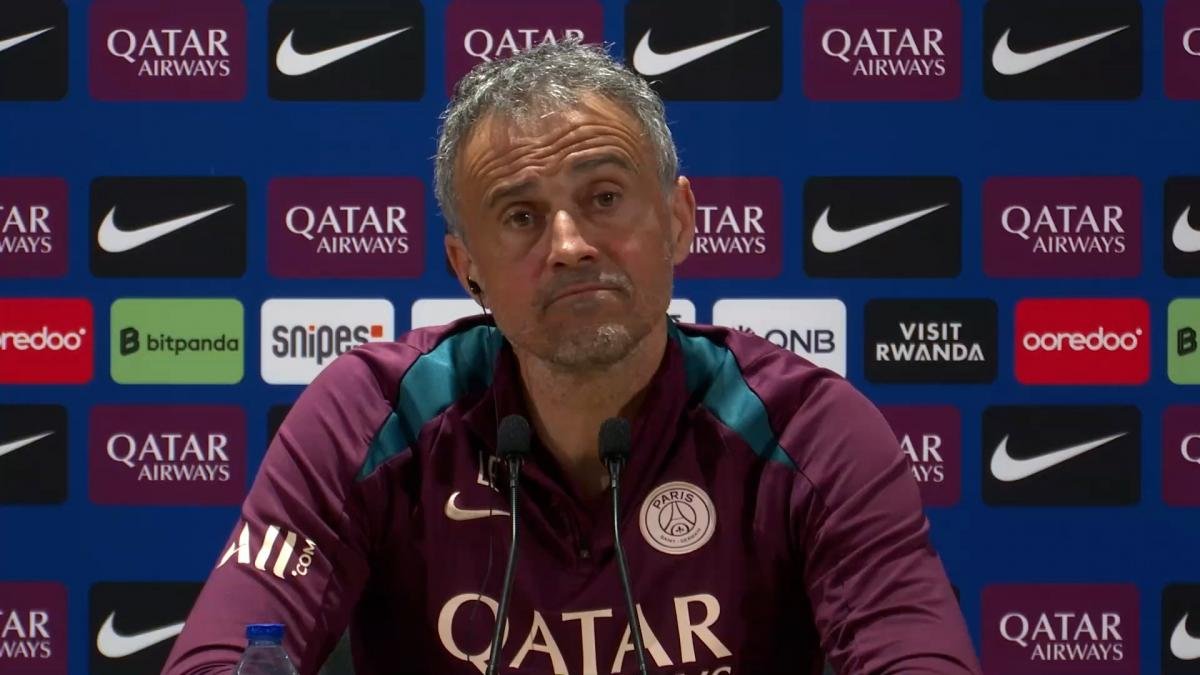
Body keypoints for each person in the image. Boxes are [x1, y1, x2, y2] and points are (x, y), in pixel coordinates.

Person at [162, 39, 982, 675]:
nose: (569, 244)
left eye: (605, 197)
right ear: (467, 268)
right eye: (520, 216)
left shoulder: (808, 429)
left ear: (680, 220)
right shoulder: (374, 415)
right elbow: (223, 655)